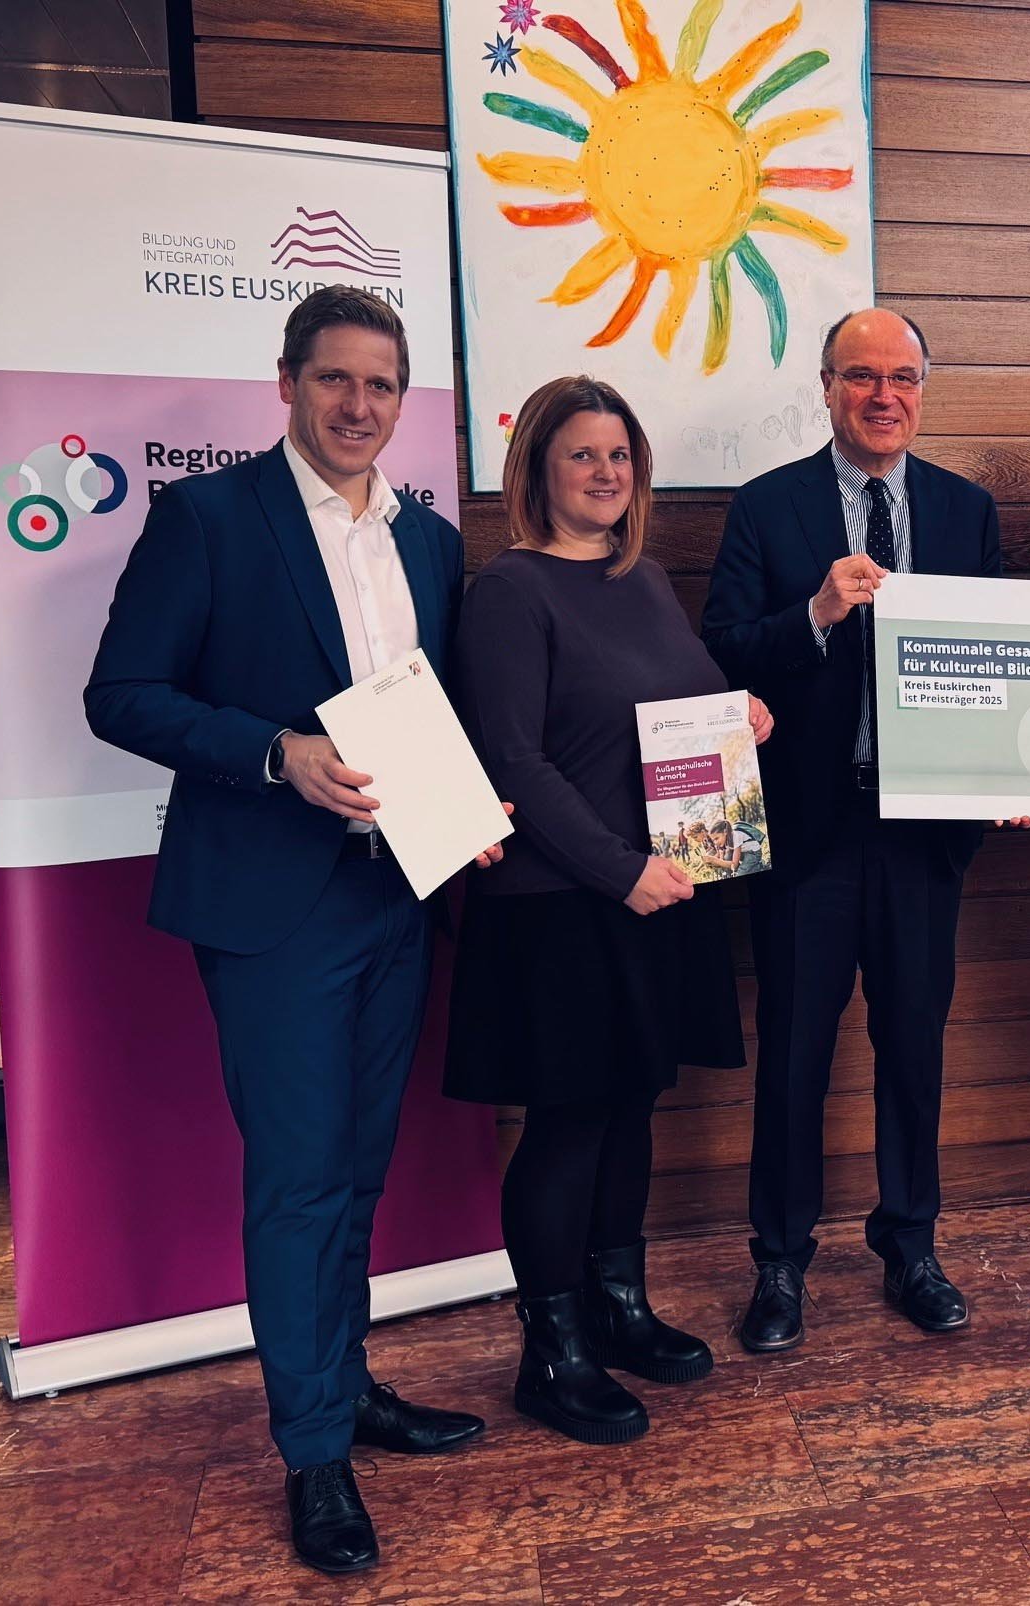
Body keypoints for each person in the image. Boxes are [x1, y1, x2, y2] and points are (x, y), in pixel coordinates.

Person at [84, 288, 500, 1575]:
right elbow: (121, 695)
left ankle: (346, 1383)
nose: (358, 405)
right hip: (274, 907)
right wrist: (274, 754)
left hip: (397, 891)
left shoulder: (429, 542)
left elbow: (432, 708)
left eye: (381, 385)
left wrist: (467, 809)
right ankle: (312, 1449)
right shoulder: (209, 516)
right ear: (286, 383)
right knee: (299, 1179)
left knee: (358, 1169)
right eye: (334, 380)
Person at [445, 375, 770, 1446]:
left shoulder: (641, 579)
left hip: (657, 889)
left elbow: (675, 701)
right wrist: (617, 867)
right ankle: (553, 1351)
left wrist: (743, 712)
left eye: (620, 454)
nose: (606, 472)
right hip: (560, 901)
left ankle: (617, 1307)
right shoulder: (510, 589)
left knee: (631, 1102)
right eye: (582, 455)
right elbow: (516, 762)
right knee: (569, 1120)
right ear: (538, 467)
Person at [701, 306, 1002, 1352]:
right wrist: (816, 615)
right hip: (809, 833)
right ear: (826, 387)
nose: (885, 397)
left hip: (924, 836)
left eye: (904, 377)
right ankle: (779, 1262)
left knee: (913, 1046)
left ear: (925, 387)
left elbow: (997, 664)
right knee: (793, 1055)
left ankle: (911, 1243)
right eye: (862, 377)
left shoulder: (967, 510)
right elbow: (723, 652)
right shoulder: (769, 508)